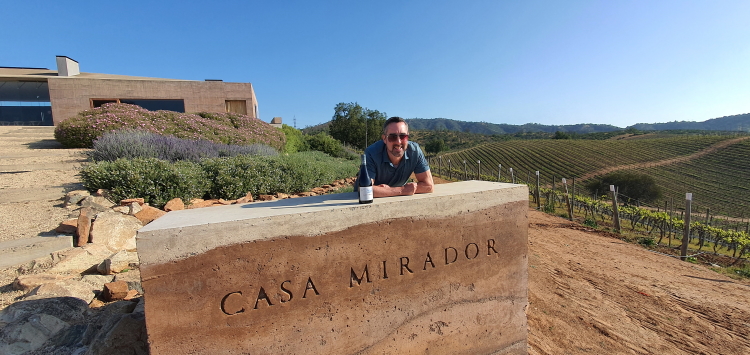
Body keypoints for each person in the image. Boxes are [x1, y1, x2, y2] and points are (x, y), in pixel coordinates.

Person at [361, 116, 434, 197]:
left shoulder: (415, 151)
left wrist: (387, 190)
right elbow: (365, 190)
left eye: (403, 136)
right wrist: (403, 190)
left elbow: (429, 186)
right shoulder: (372, 153)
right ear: (384, 139)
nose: (398, 142)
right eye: (392, 137)